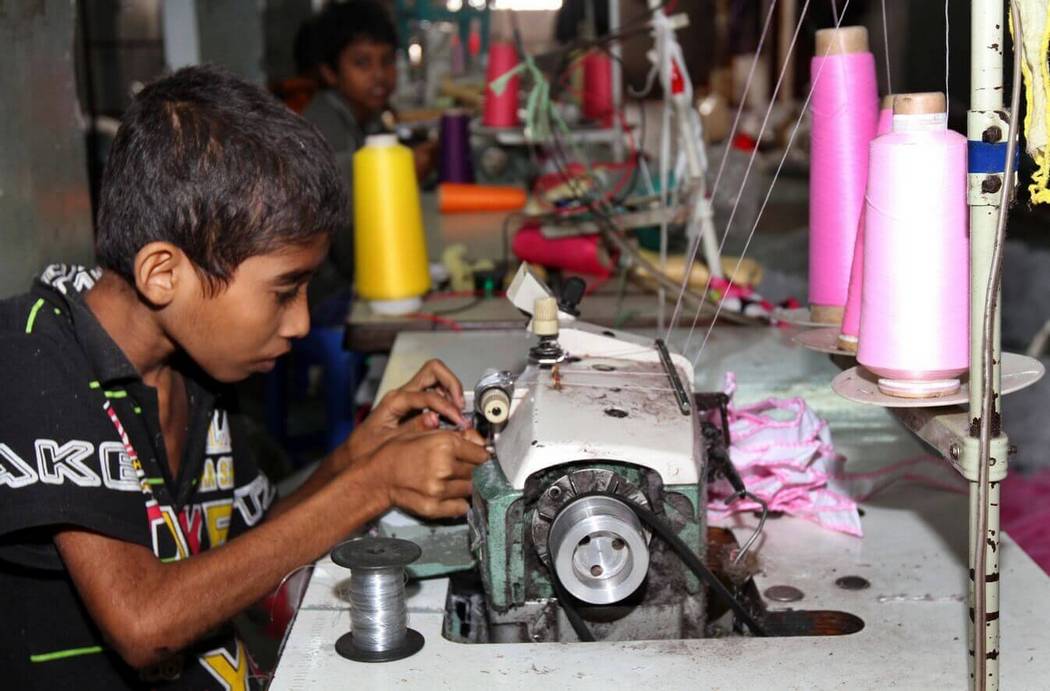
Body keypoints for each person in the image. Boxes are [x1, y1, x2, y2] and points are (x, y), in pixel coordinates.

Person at [0, 65, 488, 690]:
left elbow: (248, 556)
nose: (301, 322)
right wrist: (370, 488)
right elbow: (147, 623)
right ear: (162, 275)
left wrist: (356, 458)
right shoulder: (36, 358)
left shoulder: (195, 374)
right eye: (284, 291)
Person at [301, 0, 436, 315]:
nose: (379, 75)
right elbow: (350, 243)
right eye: (362, 63)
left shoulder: (366, 118)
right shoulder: (327, 133)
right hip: (327, 294)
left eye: (387, 61)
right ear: (330, 72)